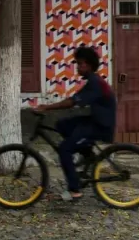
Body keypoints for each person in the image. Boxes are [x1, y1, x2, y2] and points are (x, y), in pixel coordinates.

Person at [33, 46, 116, 201]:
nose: (78, 67)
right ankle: (87, 153)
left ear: (89, 65)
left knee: (64, 149)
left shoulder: (95, 83)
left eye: (80, 64)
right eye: (77, 63)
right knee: (62, 124)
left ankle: (74, 190)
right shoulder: (93, 81)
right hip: (96, 120)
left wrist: (46, 107)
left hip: (101, 126)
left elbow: (71, 102)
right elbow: (75, 100)